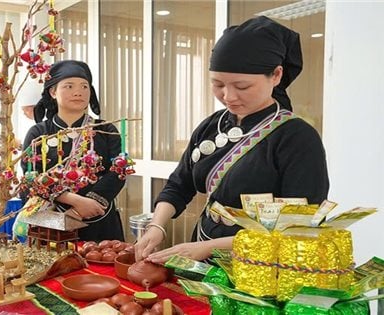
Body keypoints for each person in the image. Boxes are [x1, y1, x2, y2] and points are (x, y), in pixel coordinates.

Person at [134, 16, 329, 263]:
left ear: (277, 75)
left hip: (258, 266)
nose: (228, 96)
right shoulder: (211, 125)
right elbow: (179, 184)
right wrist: (157, 226)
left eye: (242, 86)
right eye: (217, 84)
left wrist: (210, 248)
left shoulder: (297, 138)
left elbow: (298, 227)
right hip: (201, 248)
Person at [20, 60, 126, 242]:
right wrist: (74, 201)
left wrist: (83, 209)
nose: (78, 92)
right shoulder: (38, 133)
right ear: (53, 92)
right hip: (50, 219)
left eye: (85, 87)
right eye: (69, 86)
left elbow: (118, 172)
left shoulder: (106, 129)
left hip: (99, 217)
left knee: (101, 266)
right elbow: (32, 177)